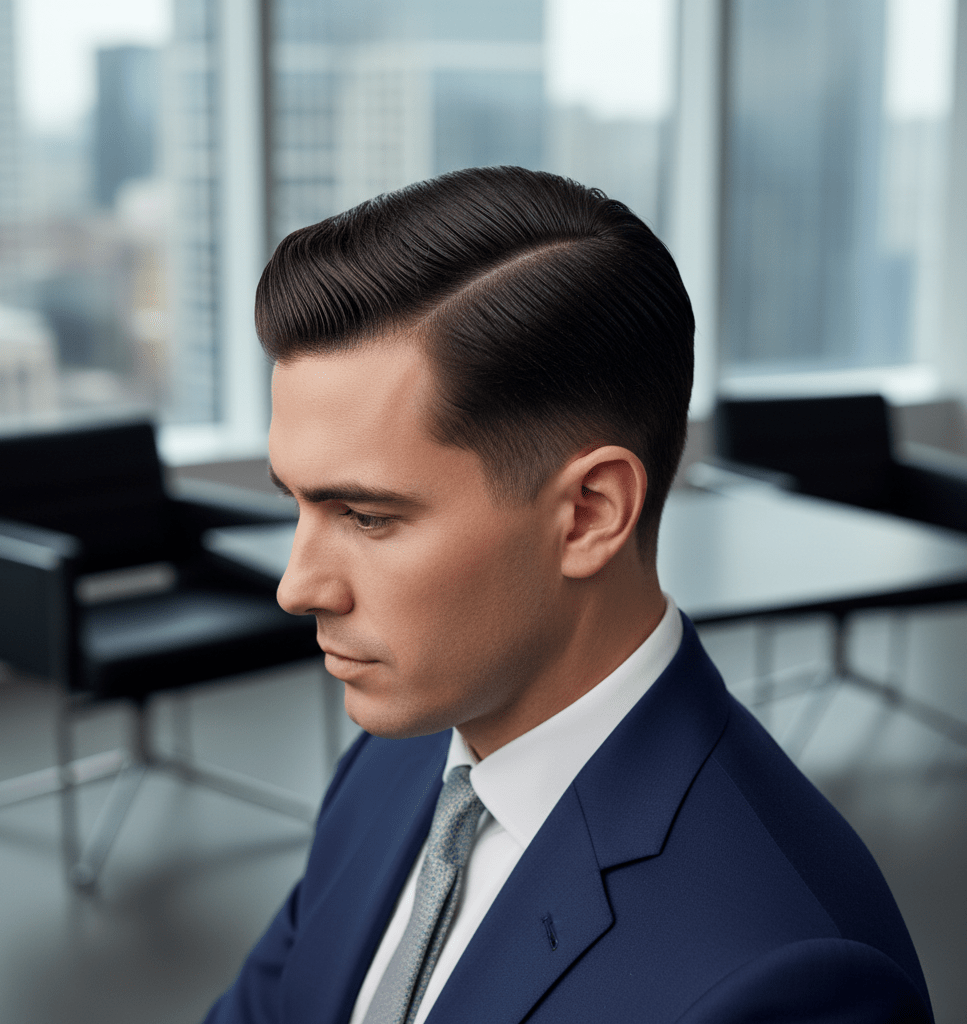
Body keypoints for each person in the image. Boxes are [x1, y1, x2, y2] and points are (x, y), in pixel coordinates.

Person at [203, 166, 932, 1023]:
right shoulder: (397, 757)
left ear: (589, 514)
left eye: (364, 516)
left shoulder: (790, 981)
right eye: (295, 500)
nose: (296, 585)